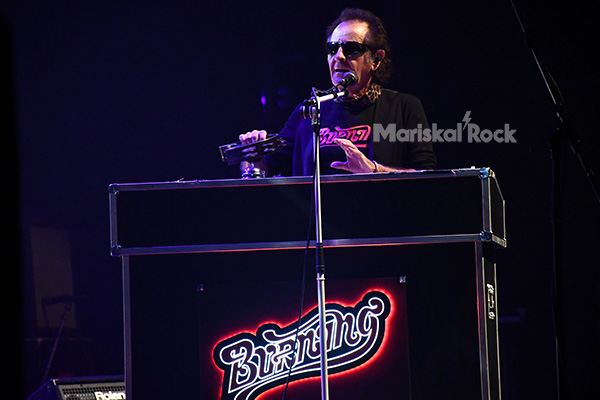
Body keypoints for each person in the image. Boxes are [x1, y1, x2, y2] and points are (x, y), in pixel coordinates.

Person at [239, 8, 437, 176]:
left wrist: (374, 170)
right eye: (333, 48)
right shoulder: (310, 110)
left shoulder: (403, 107)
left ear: (376, 60)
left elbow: (426, 176)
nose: (339, 56)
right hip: (316, 212)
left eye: (352, 49)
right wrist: (253, 155)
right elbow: (268, 169)